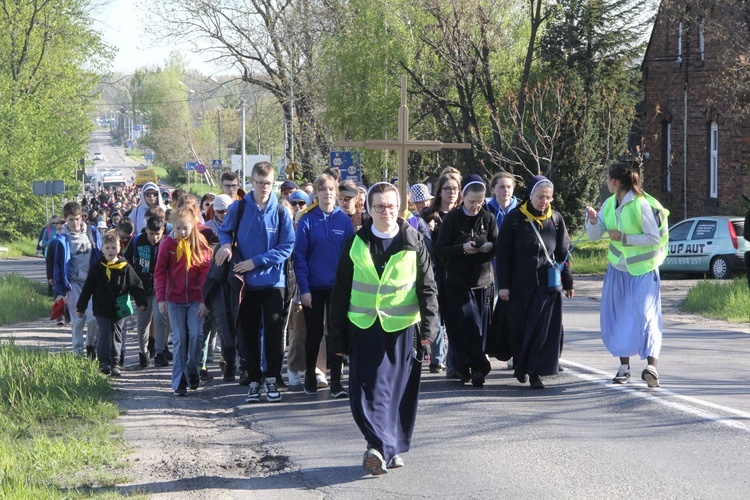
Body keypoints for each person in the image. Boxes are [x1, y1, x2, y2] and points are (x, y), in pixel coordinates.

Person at [328, 182, 439, 475]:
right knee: (365, 391)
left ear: (398, 207)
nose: (385, 212)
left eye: (390, 206)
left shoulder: (414, 240)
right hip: (364, 326)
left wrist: (430, 326)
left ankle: (385, 448)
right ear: (369, 209)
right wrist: (336, 335)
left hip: (402, 328)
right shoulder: (355, 242)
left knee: (397, 392)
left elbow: (427, 287)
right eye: (379, 207)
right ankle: (379, 444)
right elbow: (340, 291)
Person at [216, 161, 295, 403]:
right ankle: (253, 381)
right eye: (259, 183)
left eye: (268, 183)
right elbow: (224, 231)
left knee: (273, 333)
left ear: (274, 183)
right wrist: (227, 244)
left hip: (273, 282)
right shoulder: (239, 208)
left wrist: (257, 261)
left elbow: (287, 246)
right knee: (247, 333)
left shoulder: (281, 211)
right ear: (251, 182)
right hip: (245, 283)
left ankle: (271, 379)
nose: (263, 187)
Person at [585, 162, 669, 388]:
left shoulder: (641, 205)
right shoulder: (609, 204)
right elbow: (594, 236)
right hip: (617, 270)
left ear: (615, 181)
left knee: (646, 316)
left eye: (607, 178)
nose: (606, 182)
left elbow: (653, 238)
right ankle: (624, 367)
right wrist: (593, 221)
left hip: (642, 271)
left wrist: (624, 238)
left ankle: (652, 366)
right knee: (619, 317)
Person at [496, 175, 574, 389]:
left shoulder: (556, 220)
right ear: (530, 196)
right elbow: (502, 254)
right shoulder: (514, 219)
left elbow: (562, 253)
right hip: (519, 285)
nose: (544, 202)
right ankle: (521, 366)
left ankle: (535, 372)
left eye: (548, 198)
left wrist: (568, 283)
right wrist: (503, 285)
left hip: (546, 286)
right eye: (540, 197)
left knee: (541, 330)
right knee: (520, 330)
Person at [294, 173, 355, 397]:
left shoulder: (344, 221)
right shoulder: (307, 219)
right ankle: (311, 374)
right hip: (314, 288)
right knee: (314, 333)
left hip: (338, 288)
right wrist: (304, 289)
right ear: (316, 193)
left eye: (331, 189)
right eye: (323, 189)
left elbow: (352, 257)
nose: (327, 193)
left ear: (336, 193)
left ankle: (337, 382)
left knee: (337, 333)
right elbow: (299, 257)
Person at [435, 174, 498, 386]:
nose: (475, 207)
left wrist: (489, 248)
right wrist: (462, 249)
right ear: (463, 197)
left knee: (479, 328)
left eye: (479, 202)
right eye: (471, 202)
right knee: (463, 325)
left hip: (482, 281)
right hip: (456, 282)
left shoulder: (488, 218)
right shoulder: (452, 218)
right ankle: (470, 366)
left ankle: (476, 369)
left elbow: (497, 244)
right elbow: (441, 250)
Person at [154, 205, 213, 396]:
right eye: (178, 228)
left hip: (196, 298)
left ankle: (193, 369)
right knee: (179, 338)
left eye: (185, 228)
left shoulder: (201, 244)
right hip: (175, 299)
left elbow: (206, 274)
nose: (182, 232)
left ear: (193, 225)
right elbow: (160, 272)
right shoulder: (167, 245)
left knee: (196, 335)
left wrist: (205, 300)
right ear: (172, 226)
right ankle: (179, 381)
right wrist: (162, 298)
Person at [77, 231, 148, 376]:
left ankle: (115, 363)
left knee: (116, 334)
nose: (111, 251)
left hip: (118, 310)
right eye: (107, 248)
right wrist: (81, 307)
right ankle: (103, 362)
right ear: (102, 249)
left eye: (113, 248)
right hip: (101, 308)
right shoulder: (97, 267)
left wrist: (141, 301)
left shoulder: (124, 266)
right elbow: (87, 288)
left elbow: (135, 284)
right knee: (104, 334)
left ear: (119, 249)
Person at [420, 168, 462, 377]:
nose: (451, 193)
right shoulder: (428, 214)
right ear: (440, 192)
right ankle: (437, 359)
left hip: (457, 273)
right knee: (435, 315)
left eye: (455, 189)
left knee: (454, 318)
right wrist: (428, 229)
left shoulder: (464, 213)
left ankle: (453, 361)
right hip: (434, 272)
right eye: (447, 189)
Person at [49, 201, 102, 357]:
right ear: (66, 220)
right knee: (77, 321)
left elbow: (101, 255)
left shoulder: (92, 233)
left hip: (91, 284)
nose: (74, 223)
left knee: (93, 318)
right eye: (71, 219)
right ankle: (78, 353)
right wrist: (60, 291)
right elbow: (58, 267)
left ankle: (91, 345)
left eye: (77, 219)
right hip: (73, 285)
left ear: (82, 218)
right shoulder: (61, 241)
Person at [124, 214, 168, 368]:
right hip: (141, 287)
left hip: (161, 287)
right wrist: (132, 283)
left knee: (160, 318)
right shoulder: (137, 241)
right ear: (146, 230)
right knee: (143, 321)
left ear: (163, 230)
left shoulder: (166, 243)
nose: (155, 238)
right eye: (151, 234)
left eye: (158, 234)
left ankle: (160, 352)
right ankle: (143, 353)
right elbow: (127, 261)